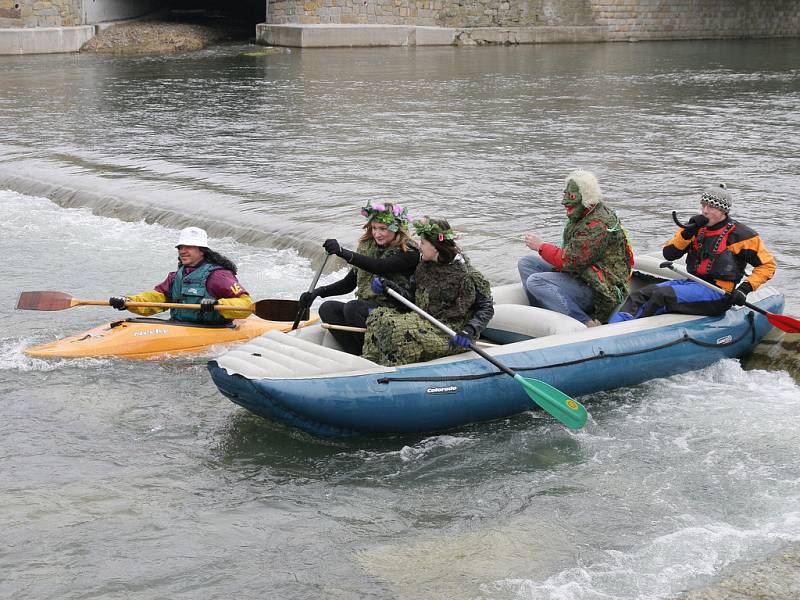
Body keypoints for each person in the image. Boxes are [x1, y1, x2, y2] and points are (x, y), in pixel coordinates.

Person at [610, 184, 776, 321]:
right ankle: (614, 328)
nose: (704, 211)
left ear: (723, 211)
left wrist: (744, 289)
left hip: (718, 293)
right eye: (703, 205)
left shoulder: (742, 235)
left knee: (661, 296)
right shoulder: (696, 228)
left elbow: (767, 265)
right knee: (640, 294)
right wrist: (686, 233)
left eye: (710, 207)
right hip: (693, 283)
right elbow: (670, 254)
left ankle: (631, 333)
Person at [362, 218, 494, 366]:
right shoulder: (424, 268)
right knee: (379, 317)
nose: (420, 247)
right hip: (424, 321)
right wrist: (388, 287)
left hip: (451, 332)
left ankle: (395, 367)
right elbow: (411, 300)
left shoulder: (467, 275)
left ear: (436, 247)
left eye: (423, 243)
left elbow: (486, 307)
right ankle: (372, 363)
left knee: (400, 330)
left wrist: (470, 330)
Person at [298, 202, 420, 355]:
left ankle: (374, 354)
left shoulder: (409, 251)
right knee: (327, 308)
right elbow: (349, 284)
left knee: (354, 308)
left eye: (383, 229)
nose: (377, 234)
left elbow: (379, 266)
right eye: (374, 228)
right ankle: (355, 352)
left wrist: (343, 252)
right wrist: (318, 292)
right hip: (371, 306)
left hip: (398, 309)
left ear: (397, 228)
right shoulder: (368, 247)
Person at [517, 170, 633, 326]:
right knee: (527, 263)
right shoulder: (582, 215)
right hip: (583, 275)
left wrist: (541, 246)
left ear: (585, 198)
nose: (564, 202)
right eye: (565, 195)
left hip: (599, 289)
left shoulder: (597, 224)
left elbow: (570, 261)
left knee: (536, 281)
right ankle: (543, 313)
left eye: (571, 197)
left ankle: (585, 322)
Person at [109, 226, 253, 324]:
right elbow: (154, 300)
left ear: (202, 250)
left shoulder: (218, 275)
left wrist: (218, 304)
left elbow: (246, 304)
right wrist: (127, 302)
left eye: (188, 246)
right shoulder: (176, 276)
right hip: (181, 327)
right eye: (180, 247)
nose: (183, 251)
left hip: (212, 329)